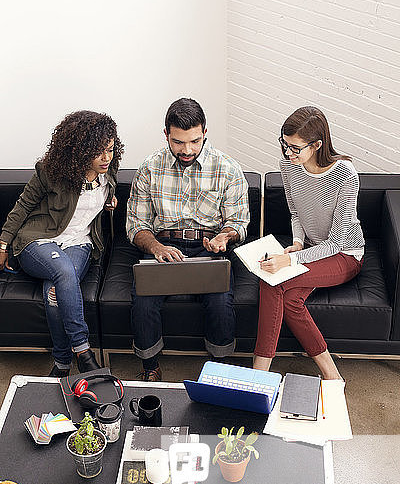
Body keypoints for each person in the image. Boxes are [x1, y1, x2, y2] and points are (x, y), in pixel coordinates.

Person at [126, 97, 250, 381]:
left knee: (220, 302)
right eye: (178, 142)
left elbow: (238, 222)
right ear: (166, 134)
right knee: (143, 301)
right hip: (162, 246)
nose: (187, 150)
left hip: (209, 247)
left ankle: (219, 367)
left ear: (205, 132)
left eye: (194, 141)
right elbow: (136, 224)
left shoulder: (227, 168)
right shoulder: (149, 168)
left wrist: (224, 237)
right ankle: (150, 367)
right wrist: (156, 247)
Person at [0, 111, 124, 377]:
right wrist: (2, 244)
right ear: (79, 151)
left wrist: (109, 203)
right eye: (99, 152)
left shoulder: (107, 172)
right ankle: (84, 352)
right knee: (64, 272)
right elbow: (22, 206)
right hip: (38, 241)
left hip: (80, 243)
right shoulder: (51, 172)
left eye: (111, 150)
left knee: (54, 292)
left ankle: (62, 364)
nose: (106, 158)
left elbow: (105, 196)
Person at [254, 106, 365, 380]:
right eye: (285, 145)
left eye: (295, 148)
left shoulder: (345, 176)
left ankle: (256, 379)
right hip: (313, 250)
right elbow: (296, 212)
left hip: (345, 255)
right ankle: (332, 375)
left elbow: (336, 243)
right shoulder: (288, 167)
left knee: (272, 280)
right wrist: (297, 242)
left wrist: (289, 260)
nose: (289, 154)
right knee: (291, 301)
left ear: (316, 145)